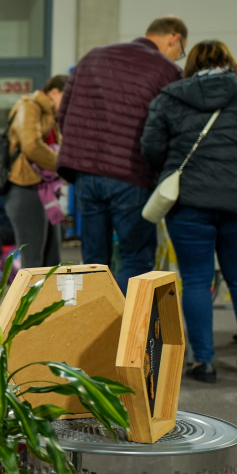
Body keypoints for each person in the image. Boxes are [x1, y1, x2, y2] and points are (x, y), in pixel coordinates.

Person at [141, 40, 237, 383]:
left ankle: (204, 363)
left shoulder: (169, 99)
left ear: (192, 64)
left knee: (196, 280)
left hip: (189, 203)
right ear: (230, 61)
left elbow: (150, 148)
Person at [56, 16, 187, 293]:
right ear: (174, 38)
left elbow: (63, 114)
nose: (178, 57)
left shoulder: (93, 57)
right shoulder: (166, 70)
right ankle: (124, 332)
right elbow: (170, 128)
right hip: (131, 174)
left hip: (86, 175)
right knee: (136, 258)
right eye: (180, 51)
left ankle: (90, 329)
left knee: (91, 262)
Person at [4, 75, 69, 269]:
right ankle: (26, 301)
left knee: (51, 262)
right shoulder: (30, 107)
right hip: (25, 187)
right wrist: (62, 165)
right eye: (66, 96)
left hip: (44, 190)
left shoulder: (50, 114)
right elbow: (31, 145)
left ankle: (48, 300)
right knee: (33, 264)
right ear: (54, 92)